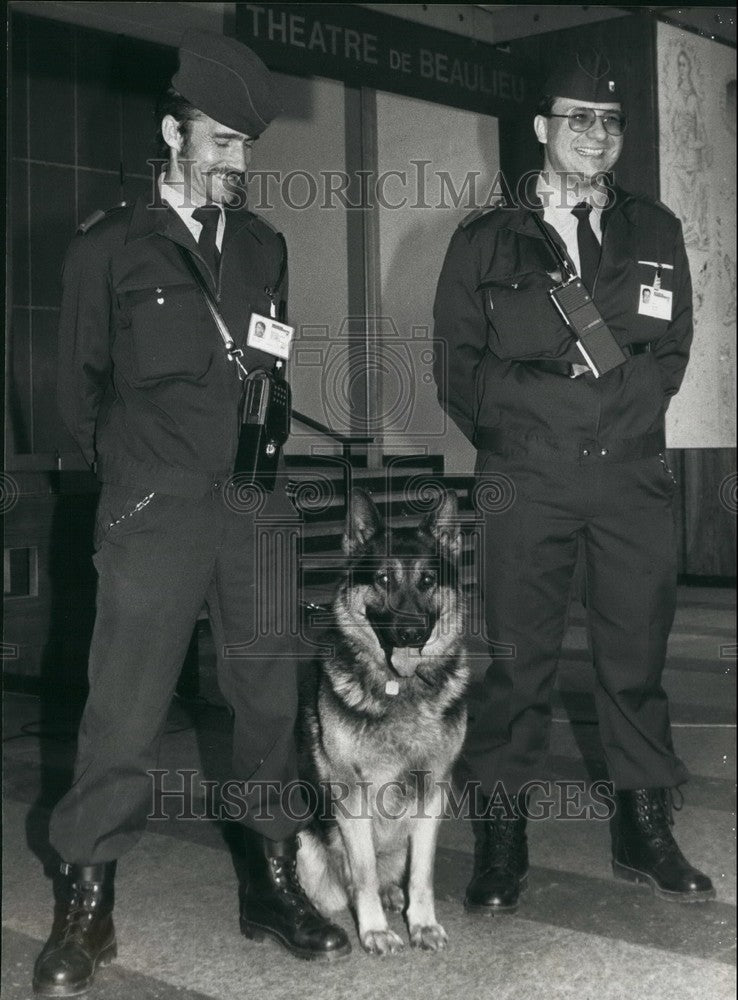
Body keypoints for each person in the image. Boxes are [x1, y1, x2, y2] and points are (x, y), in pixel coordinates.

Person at [33, 30, 350, 998]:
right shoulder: (107, 248)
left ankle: (266, 880)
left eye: (246, 146)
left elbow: (269, 364)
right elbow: (70, 396)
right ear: (173, 132)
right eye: (219, 141)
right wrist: (134, 482)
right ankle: (87, 900)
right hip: (155, 510)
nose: (235, 163)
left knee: (264, 702)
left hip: (253, 511)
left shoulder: (263, 247)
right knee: (121, 711)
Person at [433, 50, 715, 917]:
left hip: (632, 480)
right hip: (527, 481)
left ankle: (643, 827)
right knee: (518, 667)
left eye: (611, 121)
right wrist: (545, 412)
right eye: (579, 118)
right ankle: (503, 836)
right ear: (541, 128)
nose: (597, 135)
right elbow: (458, 370)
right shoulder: (487, 238)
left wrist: (615, 410)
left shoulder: (654, 229)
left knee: (635, 664)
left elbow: (669, 355)